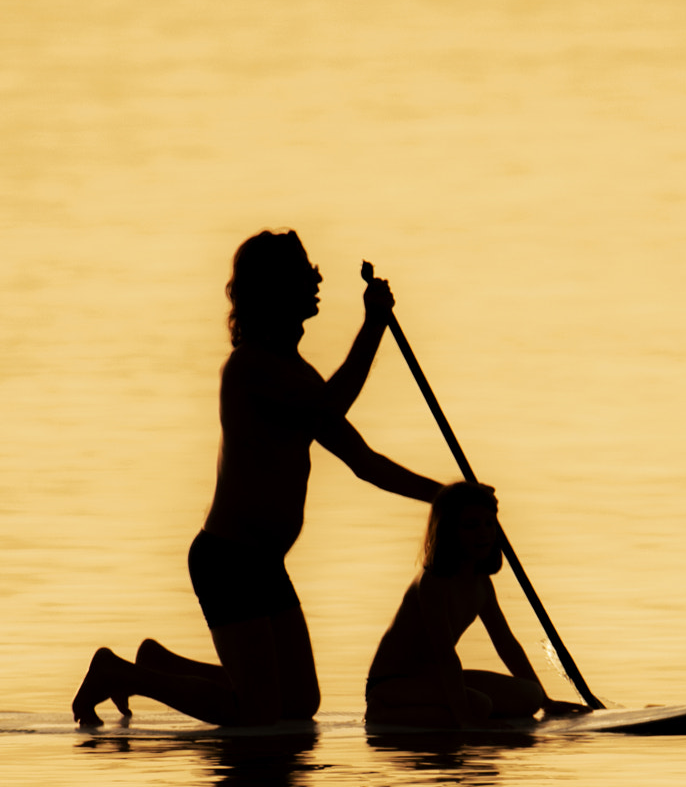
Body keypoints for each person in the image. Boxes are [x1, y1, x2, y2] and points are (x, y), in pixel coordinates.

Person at [73, 231, 446, 728]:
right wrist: (374, 325)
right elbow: (333, 404)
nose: (317, 284)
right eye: (302, 277)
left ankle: (160, 665)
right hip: (229, 560)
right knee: (259, 713)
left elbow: (365, 462)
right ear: (273, 292)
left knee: (298, 703)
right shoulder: (250, 369)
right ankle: (120, 674)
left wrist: (447, 497)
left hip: (265, 563)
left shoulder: (298, 373)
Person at [364, 482, 588, 730]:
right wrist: (465, 718)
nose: (483, 533)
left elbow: (505, 642)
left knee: (529, 696)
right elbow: (445, 654)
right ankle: (382, 712)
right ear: (450, 531)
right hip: (392, 683)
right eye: (470, 526)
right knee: (478, 706)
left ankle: (446, 711)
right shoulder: (433, 582)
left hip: (432, 678)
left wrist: (546, 701)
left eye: (489, 524)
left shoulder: (481, 582)